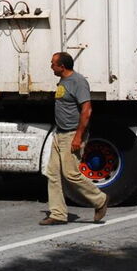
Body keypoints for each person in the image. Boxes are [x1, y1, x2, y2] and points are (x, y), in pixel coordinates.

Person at [40, 52, 108, 225]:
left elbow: (87, 110)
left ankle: (99, 199)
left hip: (72, 134)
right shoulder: (63, 81)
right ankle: (58, 214)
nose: (51, 66)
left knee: (71, 174)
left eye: (53, 64)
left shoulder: (78, 81)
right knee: (53, 173)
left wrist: (78, 137)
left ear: (62, 66)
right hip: (60, 133)